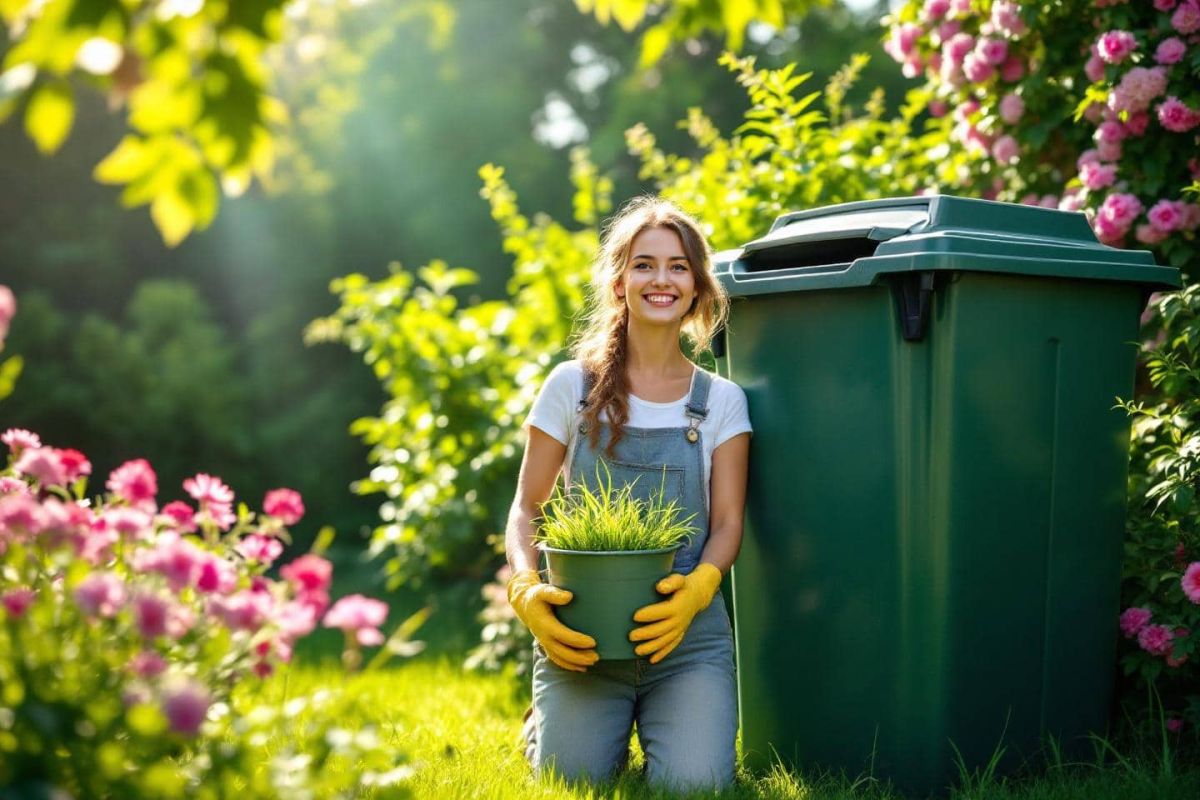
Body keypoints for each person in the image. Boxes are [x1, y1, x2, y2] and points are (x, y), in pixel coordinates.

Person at [504, 195, 752, 791]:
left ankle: (673, 714)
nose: (660, 279)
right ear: (619, 282)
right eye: (644, 264)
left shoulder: (721, 401)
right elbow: (527, 508)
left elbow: (726, 526)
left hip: (686, 641)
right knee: (574, 778)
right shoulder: (573, 387)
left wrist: (697, 591)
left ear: (697, 286)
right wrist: (526, 589)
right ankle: (550, 721)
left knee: (694, 786)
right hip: (584, 640)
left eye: (677, 266)